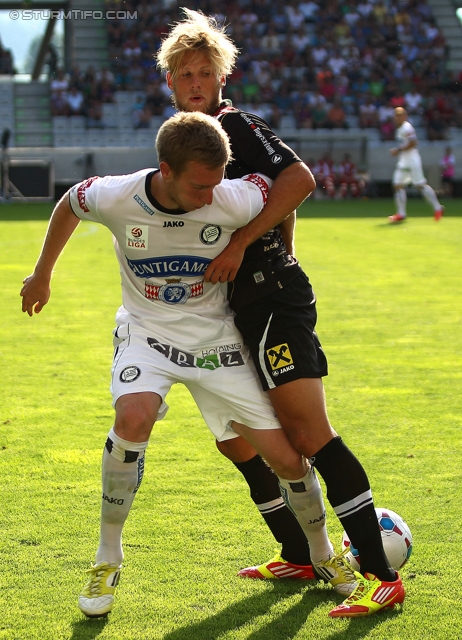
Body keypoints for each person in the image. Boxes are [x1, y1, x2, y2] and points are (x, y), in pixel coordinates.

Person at [20, 111, 354, 618]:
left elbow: (289, 187)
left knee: (286, 460)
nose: (208, 199)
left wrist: (259, 246)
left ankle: (324, 554)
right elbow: (69, 203)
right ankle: (107, 556)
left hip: (217, 338)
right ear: (165, 170)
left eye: (216, 185)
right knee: (132, 419)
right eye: (199, 188)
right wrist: (41, 274)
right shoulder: (116, 194)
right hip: (147, 332)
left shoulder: (230, 195)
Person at [156, 9, 405, 618]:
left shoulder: (234, 125)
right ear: (170, 82)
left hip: (271, 298)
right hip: (235, 308)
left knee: (308, 434)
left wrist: (250, 246)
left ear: (222, 76)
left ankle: (381, 574)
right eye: (184, 74)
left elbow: (296, 178)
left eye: (204, 73)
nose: (194, 83)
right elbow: (272, 191)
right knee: (243, 439)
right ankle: (298, 552)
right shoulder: (186, 137)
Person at [389, 107, 444, 223]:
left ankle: (438, 207)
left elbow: (413, 143)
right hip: (403, 161)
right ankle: (401, 213)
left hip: (412, 161)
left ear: (405, 116)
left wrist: (398, 150)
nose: (398, 117)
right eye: (396, 115)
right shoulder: (399, 128)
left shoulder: (407, 127)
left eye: (400, 115)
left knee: (420, 185)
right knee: (397, 185)